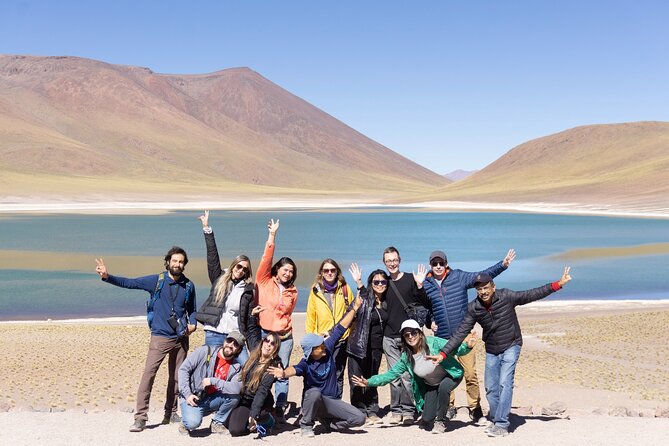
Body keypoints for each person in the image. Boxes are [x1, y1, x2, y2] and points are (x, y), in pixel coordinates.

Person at [430, 267, 572, 438]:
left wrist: (558, 284)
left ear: (493, 287)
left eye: (486, 287)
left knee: (505, 382)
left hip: (512, 344)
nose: (483, 292)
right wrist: (444, 353)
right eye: (479, 289)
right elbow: (460, 332)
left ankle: (502, 424)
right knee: (490, 388)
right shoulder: (474, 308)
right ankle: (497, 417)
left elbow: (532, 294)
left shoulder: (507, 296)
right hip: (492, 349)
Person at [94, 248, 197, 432]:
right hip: (160, 337)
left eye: (181, 262)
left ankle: (171, 413)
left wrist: (194, 324)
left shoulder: (189, 286)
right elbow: (130, 283)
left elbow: (192, 309)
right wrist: (107, 276)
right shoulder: (156, 281)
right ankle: (141, 417)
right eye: (174, 261)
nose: (178, 264)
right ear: (168, 262)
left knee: (176, 378)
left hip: (181, 339)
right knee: (148, 376)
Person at [422, 248, 516, 422]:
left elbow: (482, 276)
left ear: (446, 264)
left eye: (441, 263)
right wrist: (429, 321)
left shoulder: (458, 277)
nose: (438, 266)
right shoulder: (426, 284)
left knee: (470, 373)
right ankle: (449, 406)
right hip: (442, 338)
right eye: (434, 263)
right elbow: (424, 307)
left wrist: (502, 266)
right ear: (430, 265)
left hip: (464, 335)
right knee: (447, 374)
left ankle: (475, 407)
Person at [352, 319, 475, 433]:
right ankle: (434, 416)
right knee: (426, 419)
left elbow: (454, 348)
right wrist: (369, 382)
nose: (410, 337)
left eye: (413, 333)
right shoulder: (407, 357)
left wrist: (467, 346)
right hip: (431, 384)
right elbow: (391, 375)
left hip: (451, 375)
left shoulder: (434, 342)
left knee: (444, 388)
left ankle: (440, 422)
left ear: (420, 333)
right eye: (406, 335)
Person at [268, 295, 365, 437]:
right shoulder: (306, 364)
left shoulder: (328, 347)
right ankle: (306, 425)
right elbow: (294, 369)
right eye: (319, 346)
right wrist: (283, 373)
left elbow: (341, 327)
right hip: (315, 403)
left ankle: (330, 424)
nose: (323, 346)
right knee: (314, 392)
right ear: (312, 351)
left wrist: (355, 308)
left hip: (332, 402)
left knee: (359, 418)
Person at [196, 210, 261, 363]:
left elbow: (248, 319)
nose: (241, 270)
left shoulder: (248, 290)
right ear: (233, 266)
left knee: (246, 366)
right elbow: (212, 258)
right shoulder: (219, 278)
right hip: (214, 332)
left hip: (235, 335)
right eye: (239, 266)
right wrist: (207, 229)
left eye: (245, 269)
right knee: (212, 367)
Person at [255, 218, 298, 423]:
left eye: (291, 271)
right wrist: (272, 236)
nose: (288, 273)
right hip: (264, 334)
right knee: (261, 369)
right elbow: (266, 258)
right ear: (277, 269)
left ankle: (280, 407)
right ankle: (261, 404)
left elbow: (288, 314)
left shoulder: (293, 291)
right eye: (285, 269)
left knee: (281, 372)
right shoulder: (264, 280)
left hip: (285, 337)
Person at [381, 246, 430, 424]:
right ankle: (396, 410)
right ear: (384, 263)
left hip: (409, 337)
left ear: (399, 260)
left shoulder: (411, 279)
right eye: (388, 261)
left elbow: (425, 302)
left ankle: (409, 410)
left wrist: (420, 285)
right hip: (389, 336)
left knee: (408, 376)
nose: (392, 263)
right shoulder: (383, 282)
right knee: (394, 376)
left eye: (394, 260)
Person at [177, 330, 245, 436]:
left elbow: (236, 388)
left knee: (234, 396)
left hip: (212, 398)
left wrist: (213, 381)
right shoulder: (205, 351)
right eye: (229, 340)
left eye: (235, 344)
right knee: (192, 423)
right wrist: (187, 394)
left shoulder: (236, 367)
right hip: (193, 397)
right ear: (224, 341)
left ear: (239, 350)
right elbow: (183, 369)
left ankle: (217, 423)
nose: (230, 345)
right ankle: (186, 420)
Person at [305, 258, 354, 398]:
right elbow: (311, 316)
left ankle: (336, 404)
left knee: (338, 373)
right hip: (322, 340)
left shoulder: (344, 288)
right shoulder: (315, 290)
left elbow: (351, 311)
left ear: (337, 271)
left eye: (332, 270)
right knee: (321, 372)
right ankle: (320, 403)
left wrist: (348, 333)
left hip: (341, 339)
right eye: (326, 270)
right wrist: (312, 340)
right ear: (322, 272)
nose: (329, 273)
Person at [346, 265, 388, 425]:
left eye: (383, 281)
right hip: (358, 345)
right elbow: (351, 312)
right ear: (371, 283)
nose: (380, 284)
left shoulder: (385, 301)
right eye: (376, 282)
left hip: (376, 348)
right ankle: (359, 411)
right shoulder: (365, 298)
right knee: (356, 379)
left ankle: (372, 409)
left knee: (372, 379)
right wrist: (358, 281)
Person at [227, 332, 282, 437]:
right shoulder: (253, 358)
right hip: (245, 400)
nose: (268, 344)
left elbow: (262, 391)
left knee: (240, 428)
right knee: (233, 428)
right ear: (262, 342)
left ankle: (269, 419)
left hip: (261, 403)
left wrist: (253, 414)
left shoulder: (273, 367)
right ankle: (249, 420)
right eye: (267, 340)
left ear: (276, 348)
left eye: (273, 343)